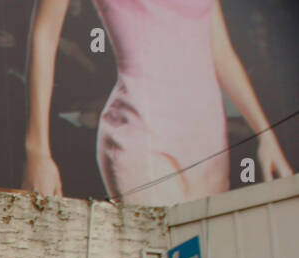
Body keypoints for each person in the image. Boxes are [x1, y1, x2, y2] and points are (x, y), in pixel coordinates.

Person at [22, 0, 292, 203]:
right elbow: (44, 35)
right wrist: (37, 151)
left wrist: (265, 134)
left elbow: (221, 52)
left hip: (208, 141)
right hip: (143, 134)